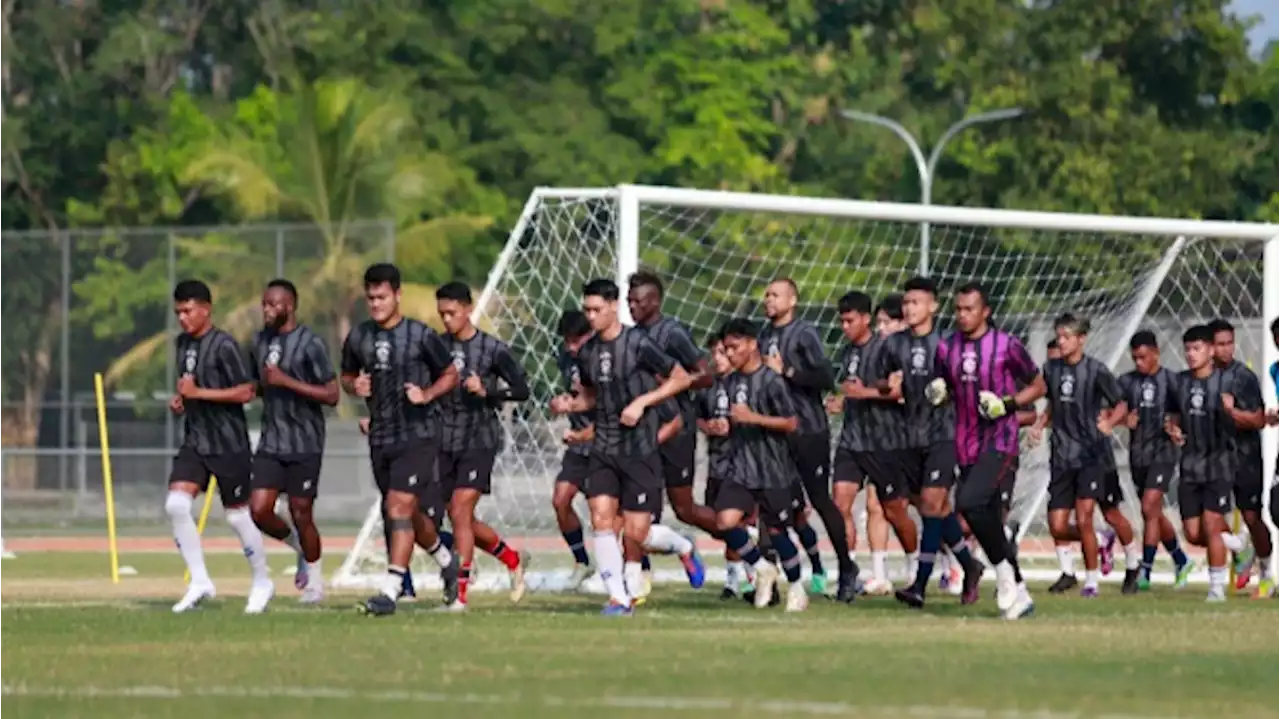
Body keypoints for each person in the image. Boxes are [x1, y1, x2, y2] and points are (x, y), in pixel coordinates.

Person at [549, 279, 697, 616]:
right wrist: (570, 405)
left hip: (640, 449)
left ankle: (683, 546)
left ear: (614, 306)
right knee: (601, 519)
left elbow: (681, 378)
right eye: (587, 309)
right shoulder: (587, 352)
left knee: (636, 532)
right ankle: (618, 597)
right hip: (604, 446)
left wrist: (643, 402)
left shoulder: (640, 344)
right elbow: (590, 396)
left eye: (596, 309)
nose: (590, 316)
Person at [342, 263, 461, 616]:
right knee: (407, 512)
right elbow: (347, 375)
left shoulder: (421, 336)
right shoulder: (359, 336)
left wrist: (426, 394)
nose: (376, 304)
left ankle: (391, 590)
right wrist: (355, 386)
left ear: (397, 295)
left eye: (382, 297)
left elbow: (451, 374)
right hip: (381, 436)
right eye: (371, 298)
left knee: (397, 507)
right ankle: (447, 561)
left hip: (419, 435)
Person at [928, 282, 1045, 620]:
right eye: (959, 309)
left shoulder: (1007, 345)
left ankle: (1005, 576)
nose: (963, 315)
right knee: (986, 517)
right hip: (965, 443)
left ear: (986, 311)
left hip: (1001, 439)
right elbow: (946, 387)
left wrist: (1006, 404)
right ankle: (1019, 592)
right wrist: (939, 393)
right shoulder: (946, 348)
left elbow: (1038, 386)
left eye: (970, 309)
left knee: (968, 502)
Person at [165, 279, 270, 614]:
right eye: (178, 312)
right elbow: (189, 387)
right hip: (196, 440)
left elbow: (246, 392)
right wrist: (182, 400)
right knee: (176, 505)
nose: (182, 318)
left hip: (228, 444)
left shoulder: (224, 345)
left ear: (206, 310)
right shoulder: (182, 344)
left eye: (188, 311)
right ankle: (199, 582)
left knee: (238, 517)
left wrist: (199, 395)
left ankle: (262, 581)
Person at [881, 277, 983, 608]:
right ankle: (970, 565)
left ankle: (920, 585)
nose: (910, 308)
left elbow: (969, 386)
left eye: (916, 302)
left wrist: (950, 391)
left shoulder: (948, 345)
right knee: (936, 510)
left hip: (943, 435)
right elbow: (882, 384)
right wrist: (888, 386)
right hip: (909, 437)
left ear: (933, 307)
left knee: (930, 504)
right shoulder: (893, 344)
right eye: (906, 303)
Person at [760, 278, 859, 602]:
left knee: (819, 499)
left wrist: (786, 371)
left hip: (808, 430)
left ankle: (847, 568)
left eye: (775, 295)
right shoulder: (764, 335)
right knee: (771, 500)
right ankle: (771, 578)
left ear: (792, 300)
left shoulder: (804, 333)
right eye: (767, 295)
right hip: (776, 431)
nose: (768, 300)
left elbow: (825, 378)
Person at [435, 282, 533, 610]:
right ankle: (512, 558)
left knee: (461, 510)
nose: (447, 319)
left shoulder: (493, 349)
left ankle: (460, 594)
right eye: (442, 314)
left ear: (467, 309)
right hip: (444, 438)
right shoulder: (435, 347)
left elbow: (522, 389)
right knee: (456, 516)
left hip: (479, 439)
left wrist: (488, 393)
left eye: (452, 313)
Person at [1032, 313, 1139, 596]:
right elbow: (1053, 404)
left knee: (1097, 516)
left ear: (1082, 339)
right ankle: (1089, 554)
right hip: (1062, 456)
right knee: (1057, 525)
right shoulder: (1051, 369)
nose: (1062, 342)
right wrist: (1038, 426)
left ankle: (1106, 574)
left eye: (1067, 337)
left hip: (1093, 456)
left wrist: (1110, 422)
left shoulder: (1096, 370)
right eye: (1059, 336)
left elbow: (1121, 403)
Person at [248, 279, 339, 605]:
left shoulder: (310, 343)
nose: (267, 310)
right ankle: (300, 547)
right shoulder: (259, 341)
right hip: (272, 439)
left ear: (290, 306)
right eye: (264, 304)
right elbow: (256, 384)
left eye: (273, 304)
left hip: (305, 441)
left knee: (302, 512)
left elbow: (332, 394)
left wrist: (286, 381)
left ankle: (315, 585)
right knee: (258, 510)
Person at [713, 318, 809, 611]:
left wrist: (753, 418)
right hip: (741, 468)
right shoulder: (729, 382)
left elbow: (792, 422)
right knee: (724, 521)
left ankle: (796, 585)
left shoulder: (772, 380)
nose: (729, 353)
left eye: (734, 347)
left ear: (753, 345)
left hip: (773, 470)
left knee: (778, 532)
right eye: (726, 348)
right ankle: (761, 567)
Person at [828, 292, 919, 597]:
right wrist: (839, 399)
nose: (844, 326)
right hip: (852, 440)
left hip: (884, 442)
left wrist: (861, 394)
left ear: (865, 319)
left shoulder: (887, 349)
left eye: (850, 320)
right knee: (839, 503)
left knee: (893, 511)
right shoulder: (847, 351)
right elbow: (849, 387)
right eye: (841, 320)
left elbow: (897, 392)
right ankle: (848, 571)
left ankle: (915, 565)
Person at [1163, 325, 1238, 602]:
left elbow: (1242, 419)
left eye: (1197, 349)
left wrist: (1232, 413)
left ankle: (1216, 587)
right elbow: (1173, 415)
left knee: (1211, 523)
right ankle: (1236, 545)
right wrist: (1172, 427)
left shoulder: (1226, 382)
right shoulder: (1179, 382)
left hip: (1218, 464)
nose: (1191, 354)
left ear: (1209, 350)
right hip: (1190, 466)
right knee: (1194, 534)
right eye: (1188, 349)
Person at [1117, 331, 1193, 590]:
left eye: (1143, 357)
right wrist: (1122, 420)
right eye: (1135, 358)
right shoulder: (1126, 382)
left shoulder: (1172, 381)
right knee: (1153, 512)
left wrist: (1176, 428)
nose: (1139, 362)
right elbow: (1113, 409)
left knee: (1149, 506)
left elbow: (1184, 414)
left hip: (1163, 452)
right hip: (1138, 454)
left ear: (1156, 353)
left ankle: (1145, 572)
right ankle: (1181, 559)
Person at [1207, 319, 1272, 596]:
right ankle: (1239, 549)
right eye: (1220, 344)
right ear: (1209, 347)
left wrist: (1231, 412)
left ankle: (1268, 573)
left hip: (1244, 457)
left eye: (1229, 343)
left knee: (1251, 517)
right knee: (1203, 518)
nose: (1226, 350)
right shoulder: (1201, 376)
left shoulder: (1243, 377)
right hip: (1212, 457)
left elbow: (1259, 419)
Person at [551, 310, 595, 589]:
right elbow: (576, 395)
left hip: (607, 440)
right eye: (567, 340)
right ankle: (582, 561)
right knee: (560, 499)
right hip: (579, 445)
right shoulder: (567, 357)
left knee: (606, 513)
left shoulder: (604, 355)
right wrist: (561, 402)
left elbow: (604, 402)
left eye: (576, 340)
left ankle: (671, 548)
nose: (571, 346)